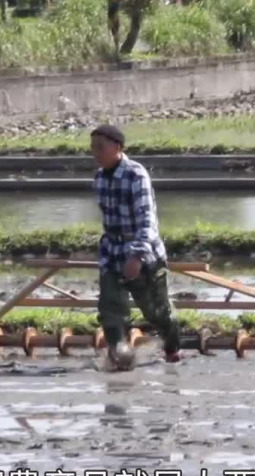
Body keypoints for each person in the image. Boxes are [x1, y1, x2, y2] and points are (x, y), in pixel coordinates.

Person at [90, 124, 182, 371]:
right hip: (112, 251)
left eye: (101, 147)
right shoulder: (100, 178)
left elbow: (147, 220)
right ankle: (118, 355)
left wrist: (137, 255)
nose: (96, 153)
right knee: (110, 309)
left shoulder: (135, 175)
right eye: (93, 148)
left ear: (117, 147)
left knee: (156, 312)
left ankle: (172, 348)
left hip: (142, 251)